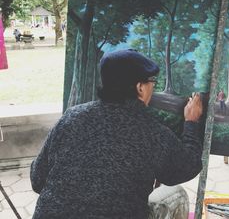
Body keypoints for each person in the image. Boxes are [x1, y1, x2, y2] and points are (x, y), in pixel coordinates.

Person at [30, 49, 203, 219]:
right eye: (152, 81)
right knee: (177, 194)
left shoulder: (71, 116)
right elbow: (187, 167)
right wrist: (191, 123)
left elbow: (37, 180)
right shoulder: (151, 131)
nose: (153, 86)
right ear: (140, 88)